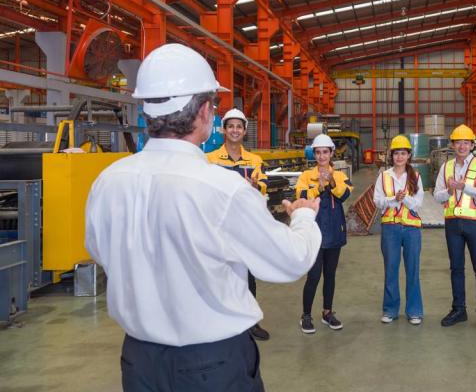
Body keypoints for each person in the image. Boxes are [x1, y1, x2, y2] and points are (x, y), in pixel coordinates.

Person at [85, 43, 322, 391]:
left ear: (147, 110)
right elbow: (291, 260)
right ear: (205, 112)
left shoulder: (109, 181)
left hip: (139, 362)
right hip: (211, 365)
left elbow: (100, 251)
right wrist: (302, 217)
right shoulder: (223, 189)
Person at [207, 108, 270, 341]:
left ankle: (250, 322)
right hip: (219, 226)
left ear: (244, 131)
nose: (235, 130)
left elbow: (264, 185)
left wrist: (255, 186)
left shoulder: (255, 161)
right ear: (224, 130)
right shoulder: (210, 160)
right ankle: (219, 323)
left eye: (239, 127)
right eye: (231, 126)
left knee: (247, 276)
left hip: (244, 225)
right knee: (219, 273)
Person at [434, 124, 476, 335]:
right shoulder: (446, 167)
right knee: (456, 268)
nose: (462, 146)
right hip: (452, 224)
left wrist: (464, 187)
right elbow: (437, 195)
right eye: (458, 142)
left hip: (474, 224)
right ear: (452, 145)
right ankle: (459, 310)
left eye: (466, 142)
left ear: (472, 145)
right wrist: (449, 191)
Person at [296, 134, 353, 333]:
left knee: (330, 275)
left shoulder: (340, 176)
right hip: (314, 232)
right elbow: (302, 197)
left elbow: (345, 195)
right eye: (318, 152)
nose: (321, 156)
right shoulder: (305, 176)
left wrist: (331, 183)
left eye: (325, 152)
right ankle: (306, 315)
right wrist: (319, 187)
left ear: (331, 154)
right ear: (314, 154)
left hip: (334, 230)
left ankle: (327, 312)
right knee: (313, 275)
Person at [373, 135, 424, 325]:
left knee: (413, 270)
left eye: (403, 153)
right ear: (391, 156)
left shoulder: (415, 176)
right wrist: (394, 199)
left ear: (409, 155)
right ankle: (390, 310)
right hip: (390, 228)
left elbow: (418, 204)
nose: (399, 157)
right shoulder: (384, 176)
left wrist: (405, 198)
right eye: (396, 153)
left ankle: (414, 311)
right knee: (391, 269)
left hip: (411, 229)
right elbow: (377, 201)